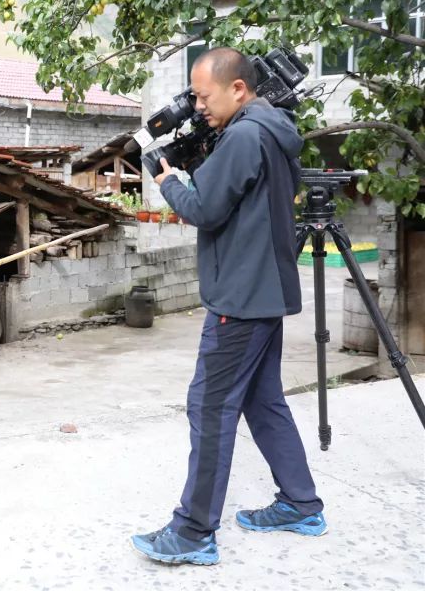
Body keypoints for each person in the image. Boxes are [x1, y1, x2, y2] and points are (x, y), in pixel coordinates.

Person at [131, 48, 325, 565]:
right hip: (263, 288)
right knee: (262, 401)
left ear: (238, 88)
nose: (197, 106)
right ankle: (301, 503)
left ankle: (193, 532)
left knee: (210, 406)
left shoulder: (243, 135)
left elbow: (204, 209)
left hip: (239, 297)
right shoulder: (272, 129)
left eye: (202, 95)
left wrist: (167, 177)